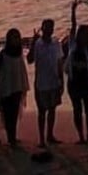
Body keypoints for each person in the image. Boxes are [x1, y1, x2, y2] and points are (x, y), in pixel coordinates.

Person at [64, 1, 88, 144]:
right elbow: (72, 27)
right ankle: (81, 136)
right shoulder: (73, 46)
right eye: (82, 34)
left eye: (87, 35)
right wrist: (73, 10)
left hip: (87, 83)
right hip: (74, 83)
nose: (84, 37)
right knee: (77, 109)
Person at [28, 18, 64, 148]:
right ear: (42, 28)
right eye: (46, 27)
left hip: (54, 81)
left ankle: (50, 135)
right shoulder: (37, 44)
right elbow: (30, 60)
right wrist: (32, 44)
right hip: (41, 83)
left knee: (52, 109)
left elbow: (60, 62)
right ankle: (42, 138)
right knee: (42, 111)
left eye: (51, 27)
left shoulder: (56, 43)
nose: (49, 29)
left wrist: (62, 80)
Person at [0, 28, 29, 147]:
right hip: (6, 87)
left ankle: (12, 138)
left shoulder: (19, 53)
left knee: (14, 114)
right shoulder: (3, 54)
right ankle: (11, 138)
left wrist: (24, 85)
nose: (16, 40)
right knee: (7, 113)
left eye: (17, 37)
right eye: (13, 37)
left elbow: (22, 70)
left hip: (17, 86)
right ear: (8, 39)